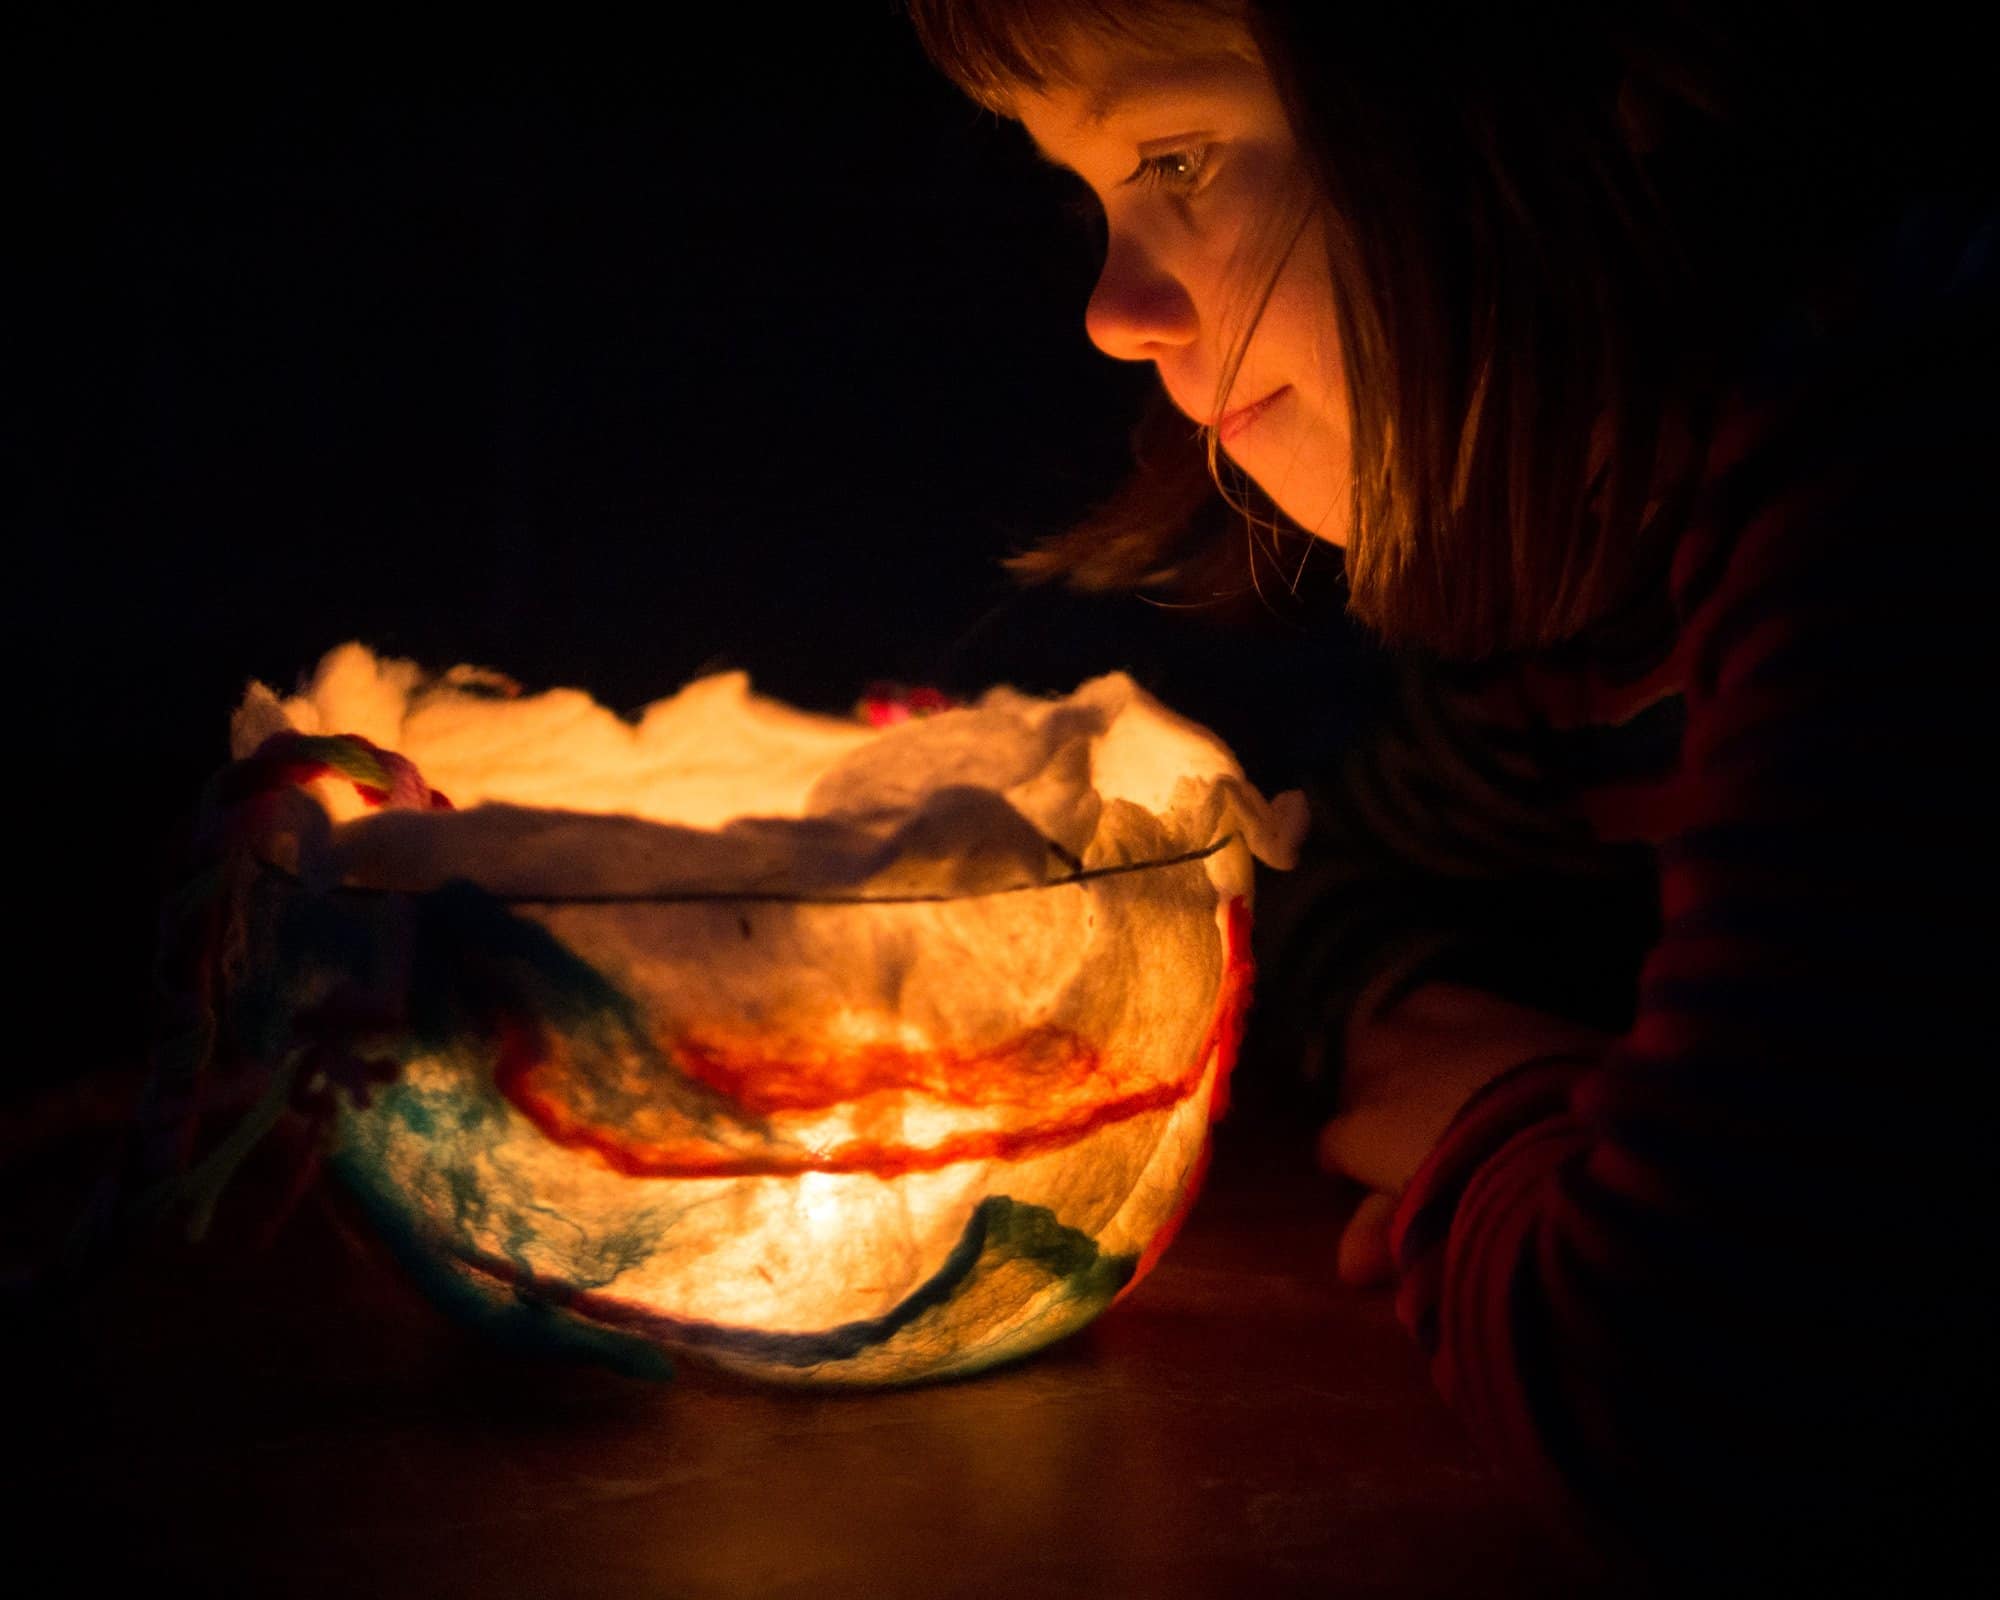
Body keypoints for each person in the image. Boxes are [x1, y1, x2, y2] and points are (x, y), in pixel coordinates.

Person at [907, 0, 1995, 1587]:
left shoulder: (1907, 488)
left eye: (1180, 157)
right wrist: (1450, 1028)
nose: (1113, 309)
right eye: (1097, 200)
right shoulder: (1592, 622)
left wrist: (1488, 1130)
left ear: (1557, 92)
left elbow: (1719, 1412)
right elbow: (1342, 881)